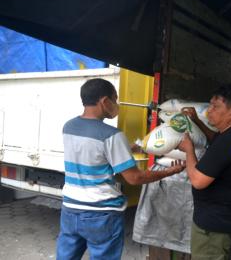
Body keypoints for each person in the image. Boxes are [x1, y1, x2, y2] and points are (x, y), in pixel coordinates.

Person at [56, 78, 185, 260]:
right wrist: (171, 171)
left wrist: (129, 148)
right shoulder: (111, 136)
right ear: (105, 102)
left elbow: (92, 155)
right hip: (101, 213)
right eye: (115, 100)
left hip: (70, 208)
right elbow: (135, 178)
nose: (116, 105)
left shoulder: (69, 127)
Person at [177, 84, 231, 260]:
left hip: (212, 226)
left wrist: (189, 150)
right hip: (228, 214)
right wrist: (196, 120)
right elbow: (216, 139)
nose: (208, 112)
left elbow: (197, 180)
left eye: (215, 107)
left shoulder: (226, 143)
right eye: (209, 105)